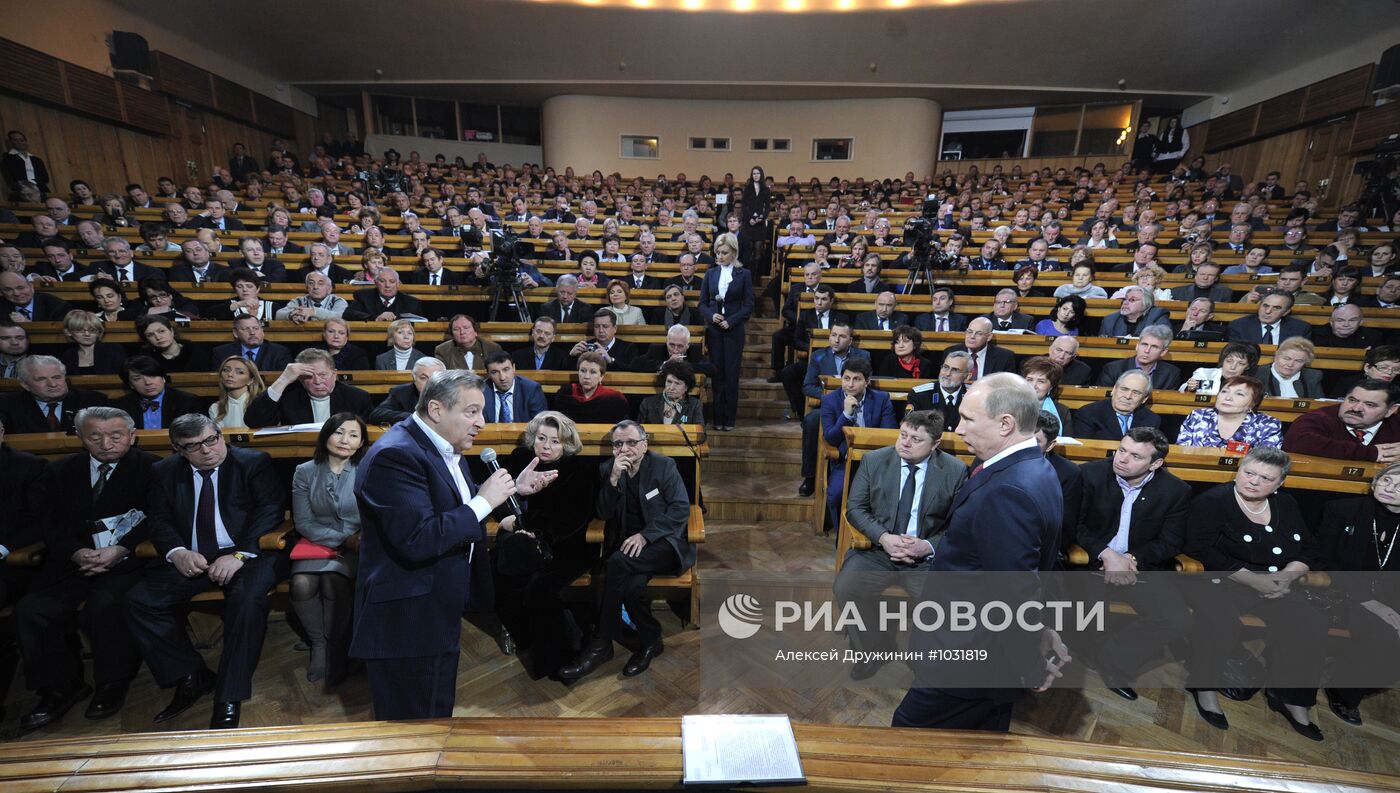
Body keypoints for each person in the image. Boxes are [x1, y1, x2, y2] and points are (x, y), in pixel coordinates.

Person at [353, 370, 556, 718]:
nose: (482, 422)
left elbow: (448, 506)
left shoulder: (440, 445)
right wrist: (485, 502)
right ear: (436, 409)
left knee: (434, 714)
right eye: (472, 411)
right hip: (407, 618)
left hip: (435, 605)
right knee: (413, 729)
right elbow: (418, 538)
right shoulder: (395, 455)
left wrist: (507, 492)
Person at [894, 373, 1066, 731]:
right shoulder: (1035, 468)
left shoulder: (1009, 490)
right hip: (983, 661)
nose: (958, 429)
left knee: (907, 748)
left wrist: (1029, 666)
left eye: (968, 419)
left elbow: (1014, 591)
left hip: (965, 659)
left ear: (1006, 424)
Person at [125, 413, 284, 730]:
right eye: (194, 446)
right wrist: (176, 552)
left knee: (247, 601)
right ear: (178, 449)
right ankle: (191, 674)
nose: (207, 450)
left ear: (220, 435)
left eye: (211, 440)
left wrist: (240, 553)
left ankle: (228, 695)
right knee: (140, 600)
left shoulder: (253, 463)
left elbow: (270, 510)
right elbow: (158, 519)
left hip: (247, 554)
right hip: (193, 556)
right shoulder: (164, 471)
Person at [10, 407, 153, 731]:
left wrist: (119, 550)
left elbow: (157, 518)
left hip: (127, 562)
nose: (105, 443)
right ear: (80, 438)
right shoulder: (60, 471)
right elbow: (51, 524)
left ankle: (112, 683)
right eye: (95, 436)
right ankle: (60, 687)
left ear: (132, 436)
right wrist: (77, 552)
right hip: (72, 562)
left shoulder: (152, 469)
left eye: (115, 436)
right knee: (33, 609)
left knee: (106, 605)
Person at [1182, 447, 1328, 739]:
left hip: (1277, 583)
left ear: (1279, 483)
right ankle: (1205, 687)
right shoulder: (1213, 502)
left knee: (1310, 622)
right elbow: (1200, 550)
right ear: (1239, 469)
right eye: (1248, 472)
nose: (1253, 481)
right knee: (1219, 621)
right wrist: (1253, 581)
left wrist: (1286, 578)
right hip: (1223, 581)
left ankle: (1293, 699)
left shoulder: (1286, 503)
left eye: (1265, 478)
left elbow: (1309, 549)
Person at [833, 409, 967, 678]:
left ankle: (921, 656)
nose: (905, 443)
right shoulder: (875, 461)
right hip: (878, 549)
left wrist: (927, 546)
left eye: (916, 439)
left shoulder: (955, 470)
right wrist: (884, 537)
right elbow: (855, 508)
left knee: (940, 599)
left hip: (925, 557)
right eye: (903, 435)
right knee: (847, 587)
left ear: (935, 445)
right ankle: (873, 650)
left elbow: (960, 525)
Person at [558, 421, 694, 680]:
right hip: (627, 551)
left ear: (645, 444)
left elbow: (679, 509)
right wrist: (612, 480)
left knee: (615, 564)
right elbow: (603, 513)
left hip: (663, 544)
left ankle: (601, 644)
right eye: (618, 444)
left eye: (632, 442)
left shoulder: (664, 466)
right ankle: (652, 640)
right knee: (631, 587)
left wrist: (645, 536)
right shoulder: (609, 469)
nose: (625, 448)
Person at [1071, 427, 1192, 700]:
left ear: (1156, 463)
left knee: (1177, 620)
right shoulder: (1089, 474)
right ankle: (1092, 652)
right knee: (1087, 614)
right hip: (1093, 562)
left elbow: (1172, 542)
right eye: (1121, 450)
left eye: (1135, 456)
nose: (1122, 459)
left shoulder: (1176, 490)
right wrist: (1106, 554)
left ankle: (1112, 658)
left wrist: (1130, 559)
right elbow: (1074, 526)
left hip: (1139, 565)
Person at [493, 411, 601, 680]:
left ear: (566, 444)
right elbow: (499, 498)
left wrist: (529, 527)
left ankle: (554, 661)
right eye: (541, 438)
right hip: (524, 540)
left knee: (539, 586)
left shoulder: (577, 469)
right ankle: (525, 637)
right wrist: (512, 522)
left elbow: (571, 520)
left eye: (555, 441)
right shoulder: (520, 459)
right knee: (498, 572)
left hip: (566, 547)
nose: (546, 446)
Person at [1316, 463, 1400, 726]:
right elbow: (1323, 560)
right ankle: (1344, 694)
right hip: (1341, 592)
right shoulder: (1343, 509)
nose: (1390, 488)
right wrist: (1370, 602)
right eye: (1387, 481)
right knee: (1383, 637)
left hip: (1389, 599)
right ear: (1375, 482)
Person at [290, 413, 366, 684]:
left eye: (353, 435)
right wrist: (342, 538)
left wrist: (355, 539)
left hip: (359, 545)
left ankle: (336, 644)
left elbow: (373, 515)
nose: (345, 440)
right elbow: (303, 522)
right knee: (301, 583)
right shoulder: (304, 471)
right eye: (339, 432)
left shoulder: (367, 469)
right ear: (326, 436)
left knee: (334, 582)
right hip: (317, 543)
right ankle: (318, 644)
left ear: (361, 443)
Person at [699, 232, 753, 431]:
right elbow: (702, 304)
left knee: (731, 376)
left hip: (733, 331)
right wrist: (711, 315)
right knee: (717, 375)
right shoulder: (710, 273)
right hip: (714, 331)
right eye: (717, 253)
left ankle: (729, 419)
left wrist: (730, 321)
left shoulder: (744, 274)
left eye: (724, 253)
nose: (720, 256)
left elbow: (748, 306)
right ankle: (717, 418)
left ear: (734, 253)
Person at [245, 348, 373, 427]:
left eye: (323, 375)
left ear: (334, 374)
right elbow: (254, 421)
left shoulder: (357, 397)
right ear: (300, 378)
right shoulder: (288, 396)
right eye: (309, 376)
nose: (318, 381)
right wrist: (283, 380)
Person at [1283, 379, 1400, 462]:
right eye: (1352, 400)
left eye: (1370, 405)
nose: (1356, 408)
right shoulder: (1320, 417)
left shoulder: (1395, 425)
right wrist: (1371, 453)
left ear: (1390, 410)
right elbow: (1297, 441)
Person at [0, 355, 108, 433]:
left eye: (57, 377)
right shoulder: (7, 405)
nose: (52, 384)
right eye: (41, 379)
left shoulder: (94, 401)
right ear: (25, 385)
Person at [1176, 376, 1284, 448]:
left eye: (1239, 394)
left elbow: (1267, 460)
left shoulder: (1267, 424)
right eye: (1224, 391)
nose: (1228, 397)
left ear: (1253, 403)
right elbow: (1182, 450)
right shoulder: (1198, 416)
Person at [112, 355, 207, 430]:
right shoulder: (120, 407)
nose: (148, 382)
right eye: (137, 379)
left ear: (163, 378)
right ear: (131, 385)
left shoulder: (188, 402)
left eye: (152, 376)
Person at [1075, 371, 1161, 441]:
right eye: (1124, 389)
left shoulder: (1151, 419)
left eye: (1136, 392)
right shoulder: (1089, 413)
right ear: (1114, 389)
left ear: (1144, 399)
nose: (1128, 396)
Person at [1097, 324, 1183, 390]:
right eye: (1144, 344)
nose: (1147, 350)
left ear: (1163, 352)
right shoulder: (1113, 369)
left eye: (1154, 347)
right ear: (1137, 346)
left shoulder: (1171, 373)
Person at [554, 351, 630, 424]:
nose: (586, 376)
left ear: (601, 376)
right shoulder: (565, 394)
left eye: (593, 372)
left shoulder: (615, 399)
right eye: (583, 371)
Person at [370, 357, 446, 425]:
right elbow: (377, 414)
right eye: (423, 378)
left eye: (435, 378)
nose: (429, 383)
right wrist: (414, 417)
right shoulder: (401, 392)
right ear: (414, 377)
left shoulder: (453, 392)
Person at [1227, 290, 1313, 345]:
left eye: (1276, 308)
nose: (1268, 311)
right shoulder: (1239, 326)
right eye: (1265, 306)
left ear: (1286, 312)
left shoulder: (1301, 329)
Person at [944, 317, 1016, 382]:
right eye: (969, 332)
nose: (972, 336)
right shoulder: (951, 352)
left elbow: (1008, 386)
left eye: (978, 333)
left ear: (989, 337)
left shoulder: (1005, 357)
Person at [211, 315, 292, 373]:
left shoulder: (279, 352)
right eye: (246, 329)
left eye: (256, 328)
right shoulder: (221, 352)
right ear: (235, 333)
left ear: (262, 331)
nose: (252, 333)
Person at [482, 351, 546, 424]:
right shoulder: (481, 391)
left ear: (514, 368)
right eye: (495, 372)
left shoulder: (531, 389)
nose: (502, 377)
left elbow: (540, 423)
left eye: (506, 369)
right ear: (488, 374)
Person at [59, 310, 125, 375]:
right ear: (69, 332)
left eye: (92, 330)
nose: (87, 334)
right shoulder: (68, 355)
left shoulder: (114, 350)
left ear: (99, 332)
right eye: (80, 330)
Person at [1253, 336, 1324, 398]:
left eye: (1298, 361)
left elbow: (1319, 406)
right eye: (1287, 358)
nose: (1290, 364)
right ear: (1276, 356)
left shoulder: (1312, 376)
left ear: (1305, 363)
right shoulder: (1257, 373)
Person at [637, 359, 703, 424]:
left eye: (677, 383)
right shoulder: (648, 403)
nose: (671, 388)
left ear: (686, 387)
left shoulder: (694, 405)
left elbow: (700, 433)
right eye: (669, 381)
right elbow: (638, 432)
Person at [1021, 356, 1074, 437]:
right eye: (1029, 379)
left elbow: (1067, 441)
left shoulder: (1062, 411)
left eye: (1041, 381)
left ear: (1051, 386)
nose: (1033, 385)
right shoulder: (1009, 406)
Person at [1182, 342, 1259, 396]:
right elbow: (1182, 390)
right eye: (1229, 361)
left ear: (1248, 367)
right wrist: (1189, 388)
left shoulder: (1250, 384)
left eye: (1241, 363)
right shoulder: (1205, 374)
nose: (1233, 367)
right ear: (1223, 360)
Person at [209, 356, 264, 429]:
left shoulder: (260, 405)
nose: (230, 374)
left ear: (251, 380)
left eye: (240, 372)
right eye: (226, 370)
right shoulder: (215, 408)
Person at [1, 270, 72, 322]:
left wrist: (28, 324)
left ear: (31, 287)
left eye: (20, 288)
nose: (16, 293)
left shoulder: (57, 306)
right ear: (1, 292)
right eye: (8, 290)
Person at [1099, 287, 1169, 338]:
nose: (1125, 302)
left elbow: (1163, 340)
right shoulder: (1110, 320)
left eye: (1132, 300)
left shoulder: (1157, 315)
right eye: (1125, 299)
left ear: (1146, 304)